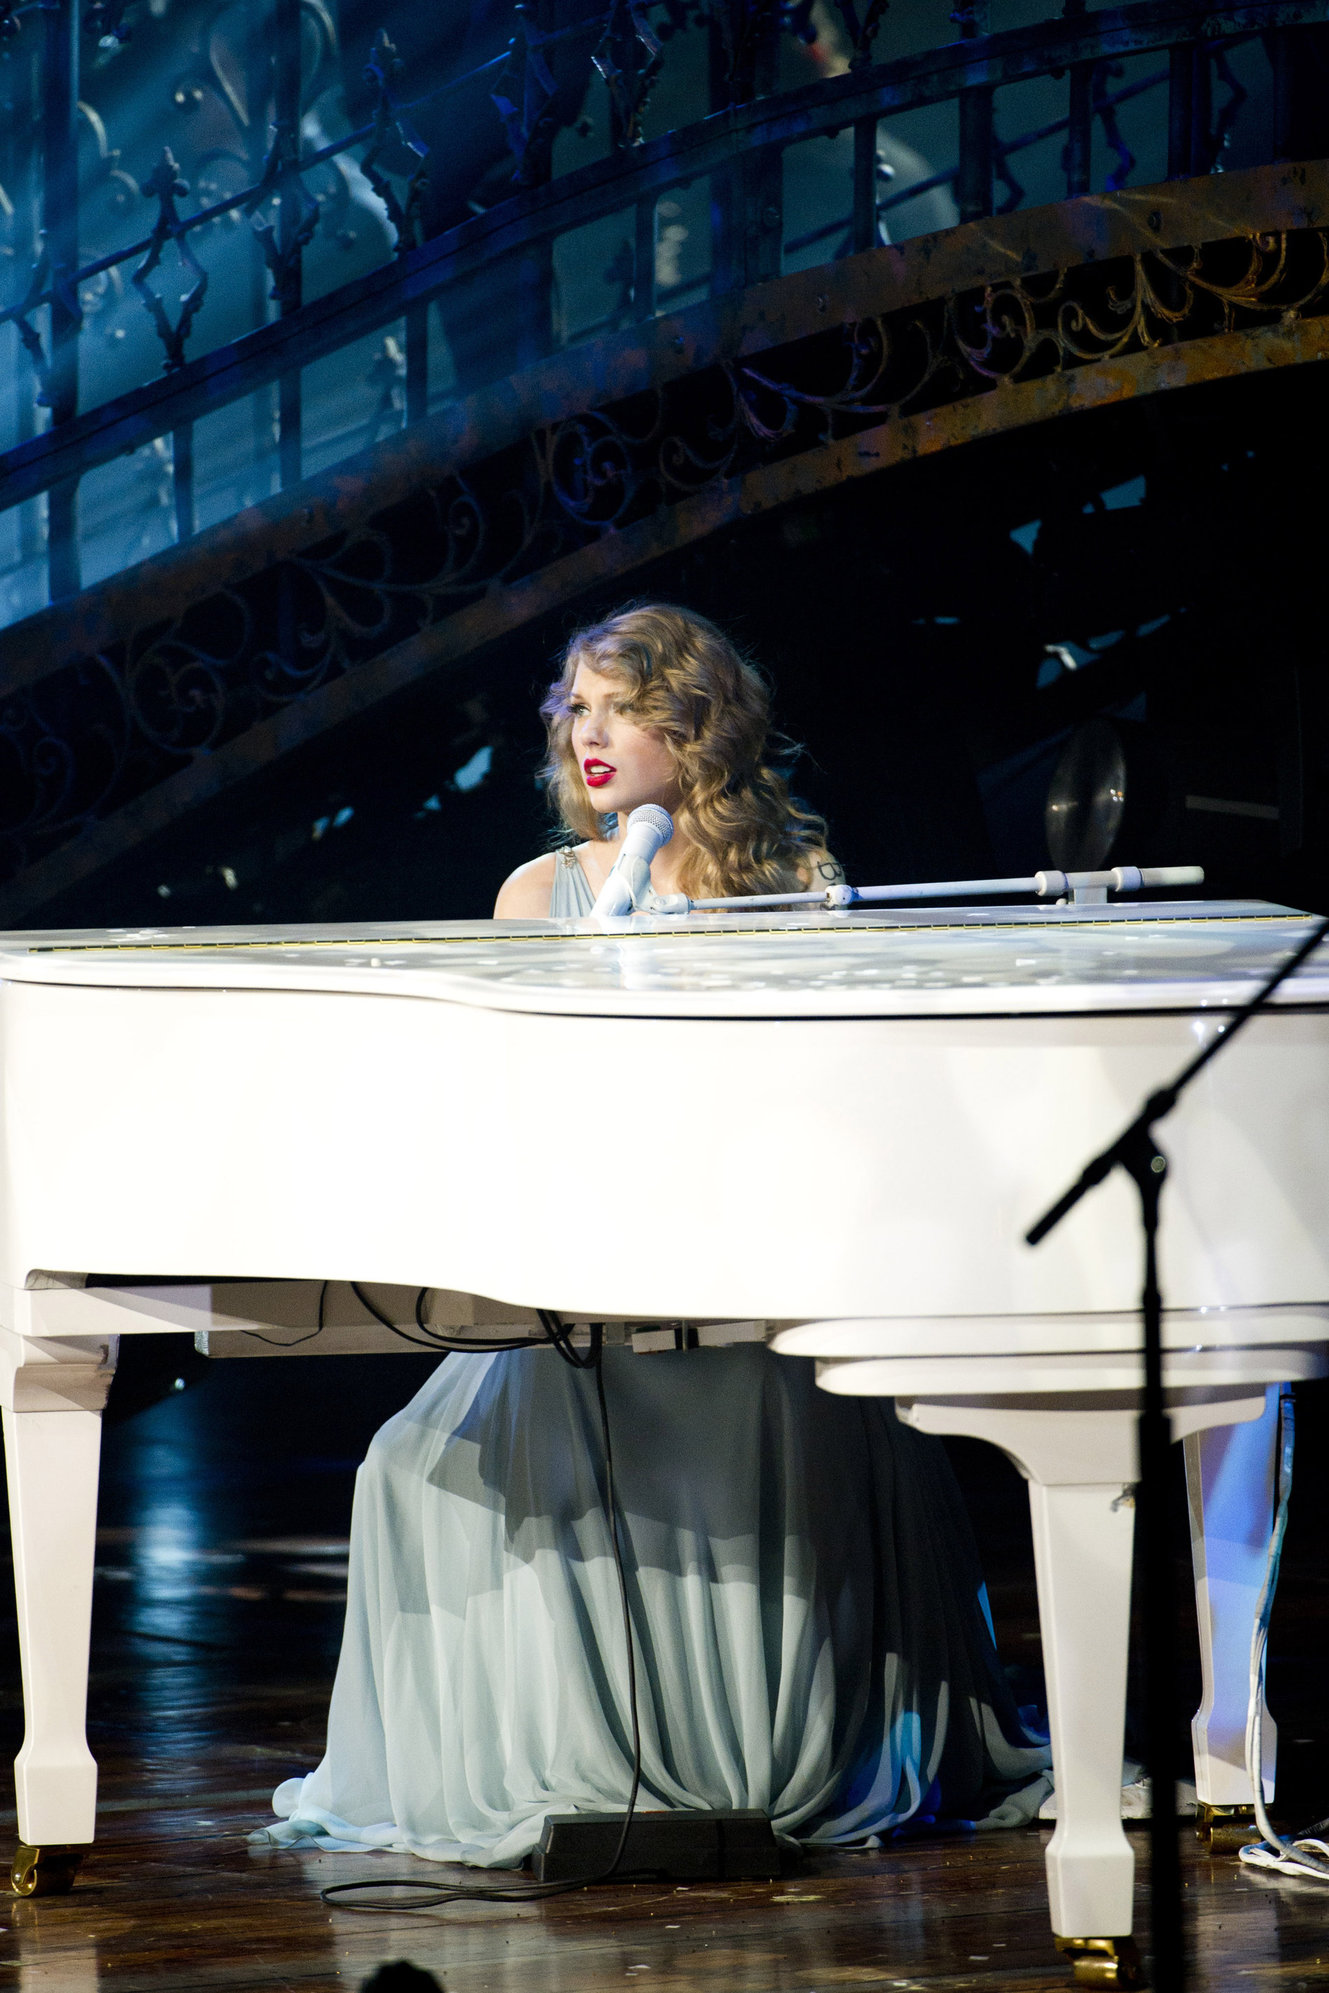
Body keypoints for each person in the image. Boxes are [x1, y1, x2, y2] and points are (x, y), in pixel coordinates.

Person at [257, 604, 1050, 1867]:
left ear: (695, 720)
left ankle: (755, 1750)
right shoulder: (543, 889)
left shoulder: (791, 878)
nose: (589, 731)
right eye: (575, 707)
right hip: (584, 1267)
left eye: (620, 704)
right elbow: (509, 1092)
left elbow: (839, 1095)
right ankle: (572, 1750)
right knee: (407, 1463)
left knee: (796, 1419)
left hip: (748, 1262)